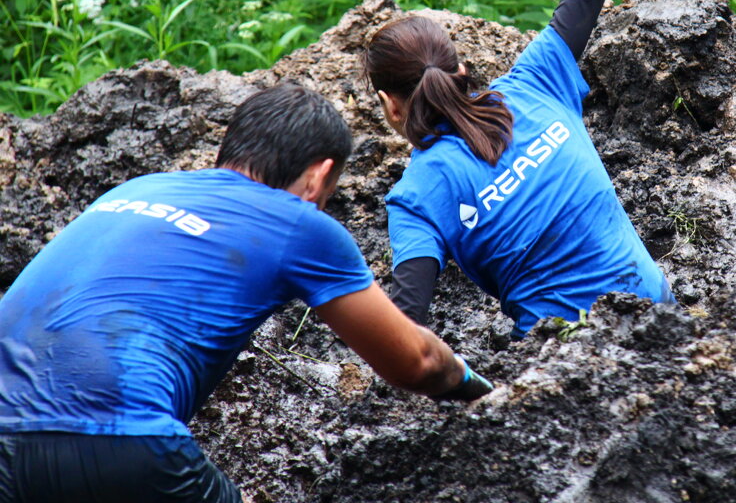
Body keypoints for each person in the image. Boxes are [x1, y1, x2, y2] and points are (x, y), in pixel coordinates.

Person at [0, 83, 492, 503]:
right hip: (124, 437)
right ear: (320, 176)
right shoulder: (296, 222)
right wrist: (481, 389)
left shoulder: (137, 187)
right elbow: (417, 362)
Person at [363, 0, 677, 337]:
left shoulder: (416, 196)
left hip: (565, 371)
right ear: (461, 71)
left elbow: (406, 324)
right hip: (663, 321)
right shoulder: (537, 83)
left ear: (389, 104)